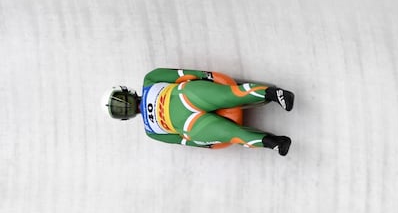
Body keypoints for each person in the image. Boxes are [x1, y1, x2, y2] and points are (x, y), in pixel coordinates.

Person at [103, 68, 295, 155]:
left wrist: (206, 76)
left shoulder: (150, 79)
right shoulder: (151, 132)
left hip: (186, 96)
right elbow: (182, 140)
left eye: (121, 101)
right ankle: (273, 143)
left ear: (127, 91)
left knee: (231, 96)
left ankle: (274, 95)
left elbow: (179, 74)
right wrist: (207, 145)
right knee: (233, 134)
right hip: (190, 124)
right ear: (124, 117)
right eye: (120, 109)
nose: (125, 106)